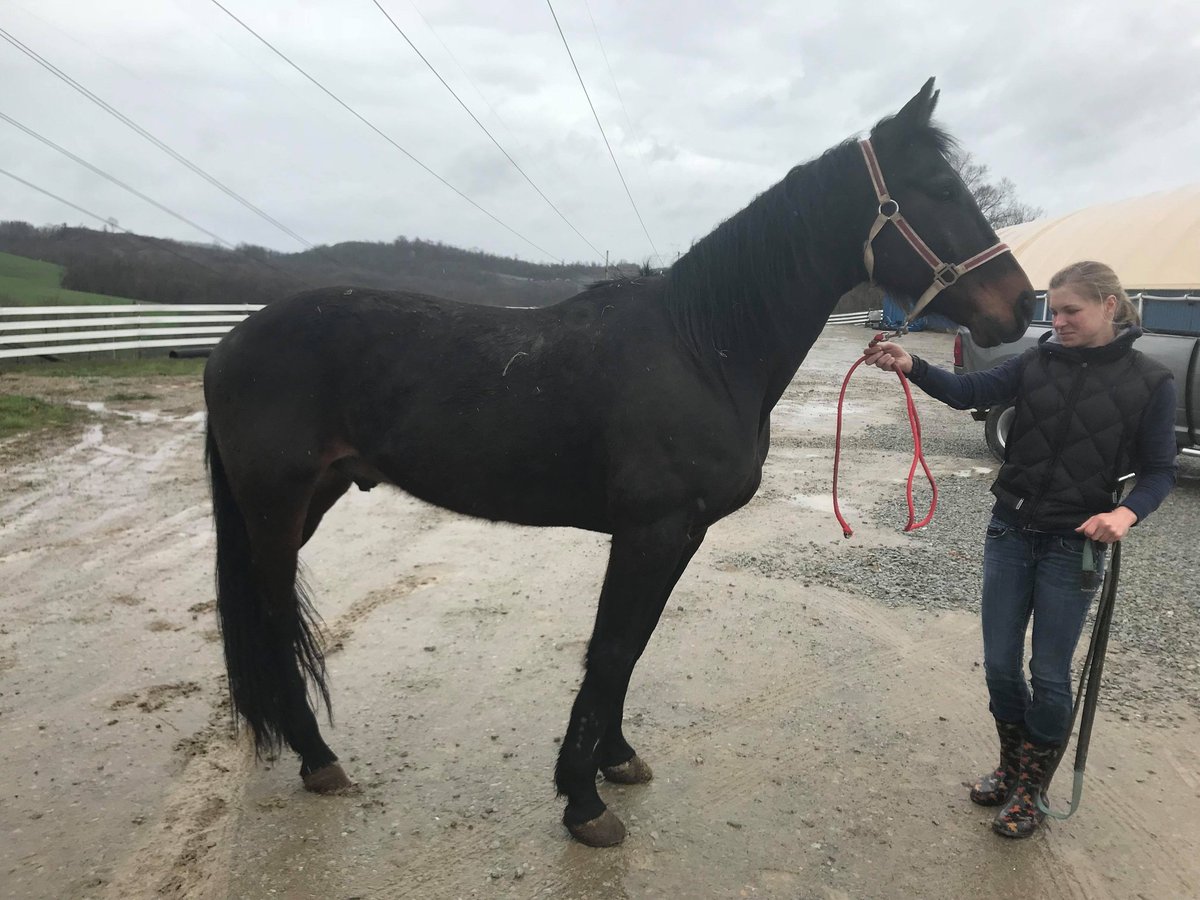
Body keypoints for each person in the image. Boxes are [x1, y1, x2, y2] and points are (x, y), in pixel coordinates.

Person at [863, 260, 1178, 839]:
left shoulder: (1152, 381)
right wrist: (914, 366)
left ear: (1110, 306)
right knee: (1003, 668)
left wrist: (1126, 513)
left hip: (1075, 545)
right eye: (1052, 312)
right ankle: (1012, 769)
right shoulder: (1037, 360)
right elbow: (968, 392)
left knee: (1050, 675)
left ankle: (1032, 788)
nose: (1057, 322)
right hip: (1009, 530)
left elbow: (1160, 471)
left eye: (1071, 311)